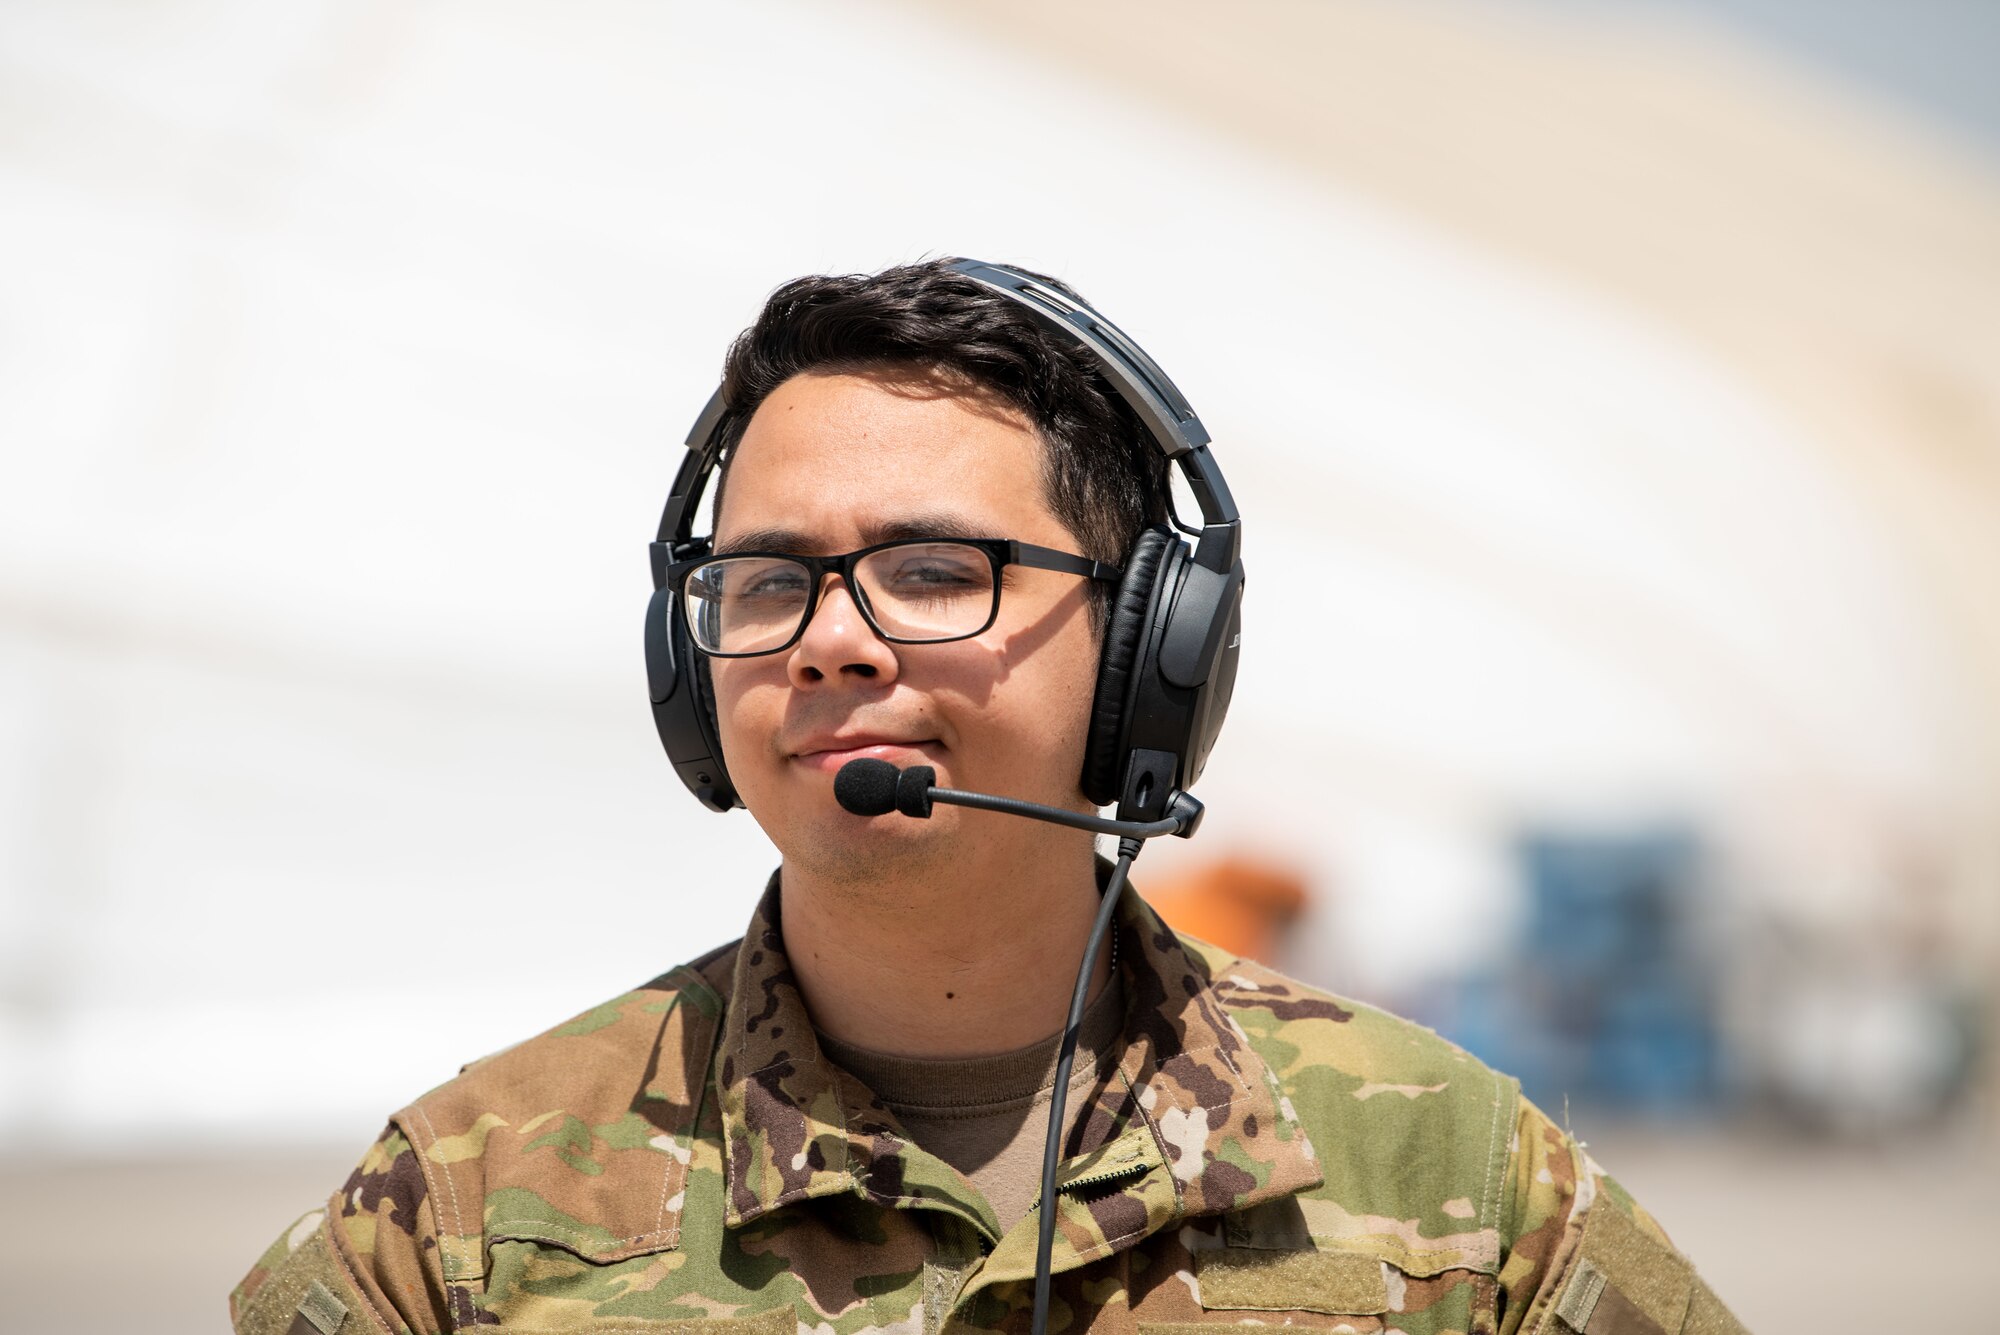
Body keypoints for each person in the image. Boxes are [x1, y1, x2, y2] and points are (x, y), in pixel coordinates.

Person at [229, 258, 1746, 1335]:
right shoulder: (471, 1200)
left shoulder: (1452, 1175)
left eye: (935, 572)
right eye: (764, 583)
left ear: (1160, 645)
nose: (829, 640)